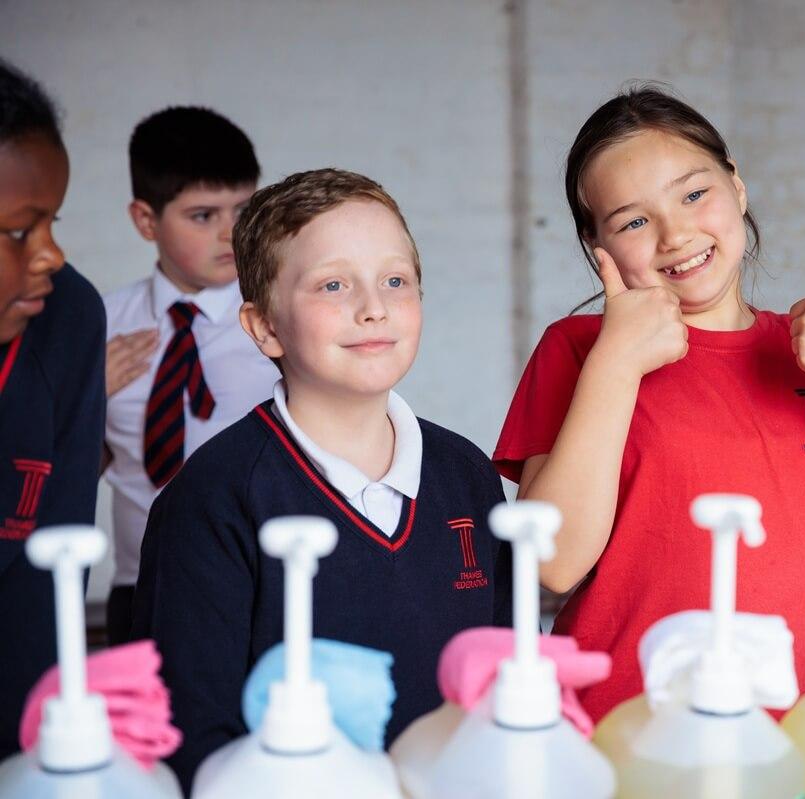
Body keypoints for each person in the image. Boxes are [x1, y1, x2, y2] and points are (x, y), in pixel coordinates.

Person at [494, 85, 805, 722]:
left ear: (737, 187)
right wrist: (616, 365)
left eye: (694, 193)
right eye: (632, 221)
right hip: (615, 733)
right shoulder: (580, 350)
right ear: (598, 249)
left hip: (781, 737)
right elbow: (553, 564)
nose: (675, 234)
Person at [132, 168, 512, 792]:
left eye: (396, 280)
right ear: (264, 328)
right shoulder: (214, 498)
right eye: (333, 285)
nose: (373, 307)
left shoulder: (466, 473)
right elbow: (194, 740)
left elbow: (501, 682)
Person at [101, 106, 277, 645]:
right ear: (145, 220)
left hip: (262, 584)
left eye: (243, 208)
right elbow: (62, 473)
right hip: (140, 590)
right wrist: (80, 401)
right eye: (203, 215)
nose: (231, 232)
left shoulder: (282, 323)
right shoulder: (98, 327)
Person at [0, 58, 105, 756]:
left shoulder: (67, 318)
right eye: (17, 232)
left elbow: (52, 572)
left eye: (52, 223)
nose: (50, 254)